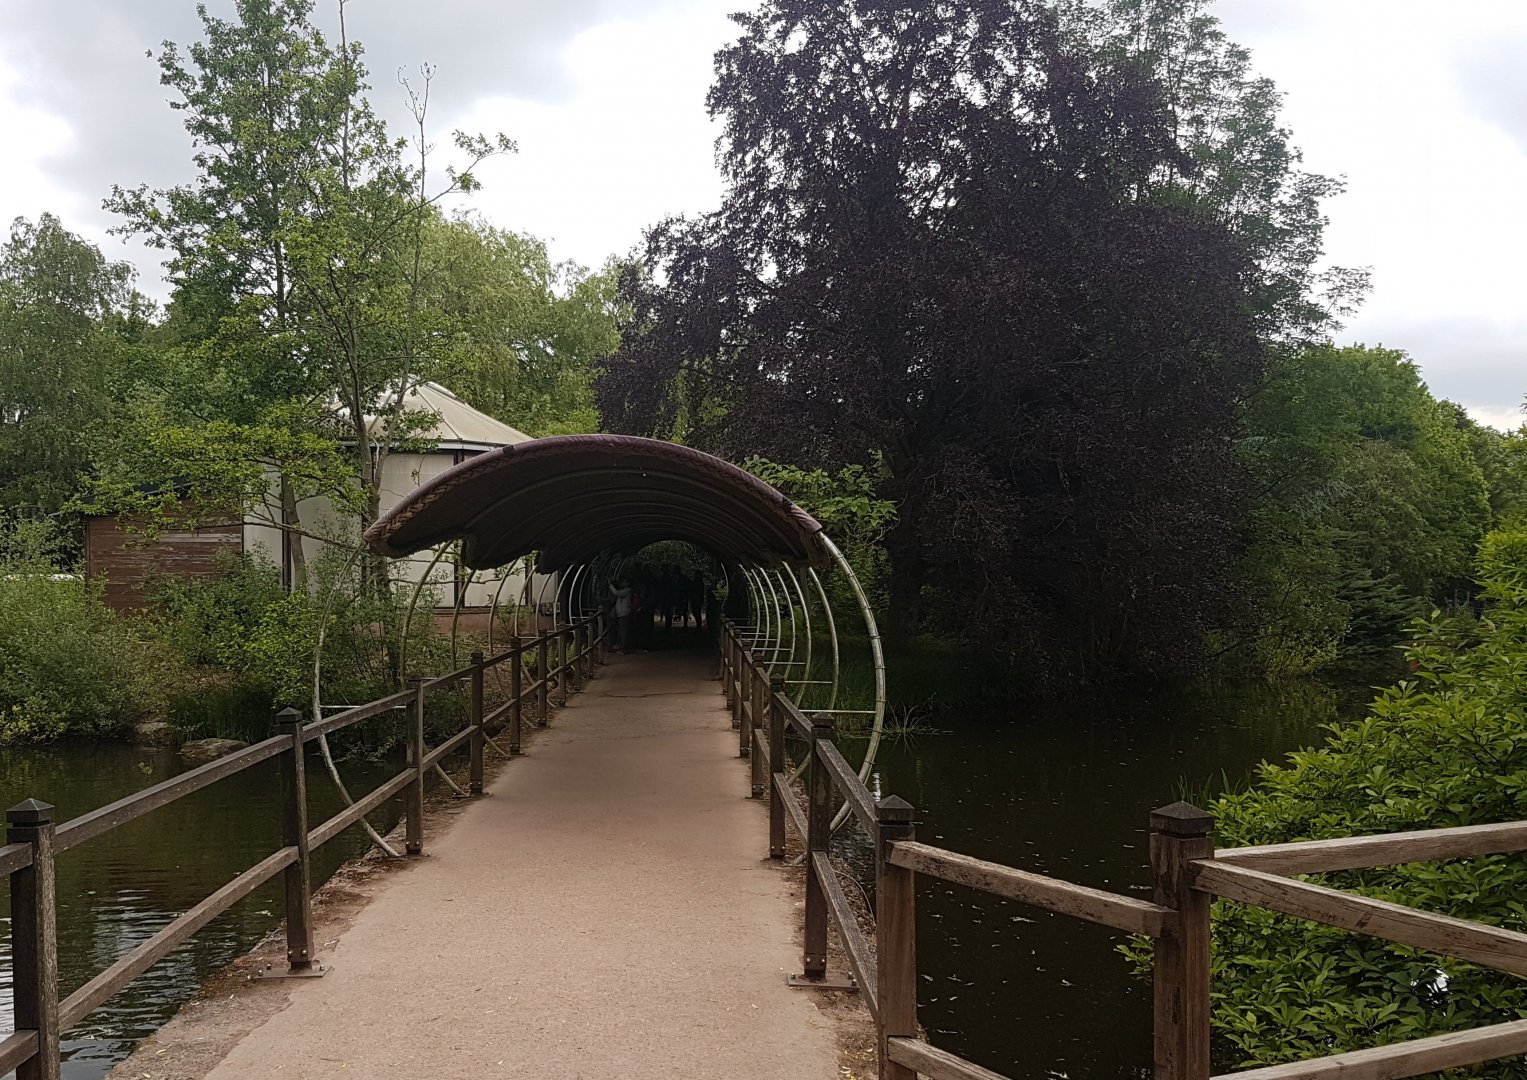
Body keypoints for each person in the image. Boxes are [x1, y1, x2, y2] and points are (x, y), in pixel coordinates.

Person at [609, 580, 633, 653]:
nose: (622, 583)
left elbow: (616, 593)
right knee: (621, 630)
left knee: (623, 631)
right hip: (621, 614)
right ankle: (620, 646)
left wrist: (610, 586)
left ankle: (623, 647)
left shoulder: (628, 590)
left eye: (623, 581)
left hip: (624, 613)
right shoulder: (623, 591)